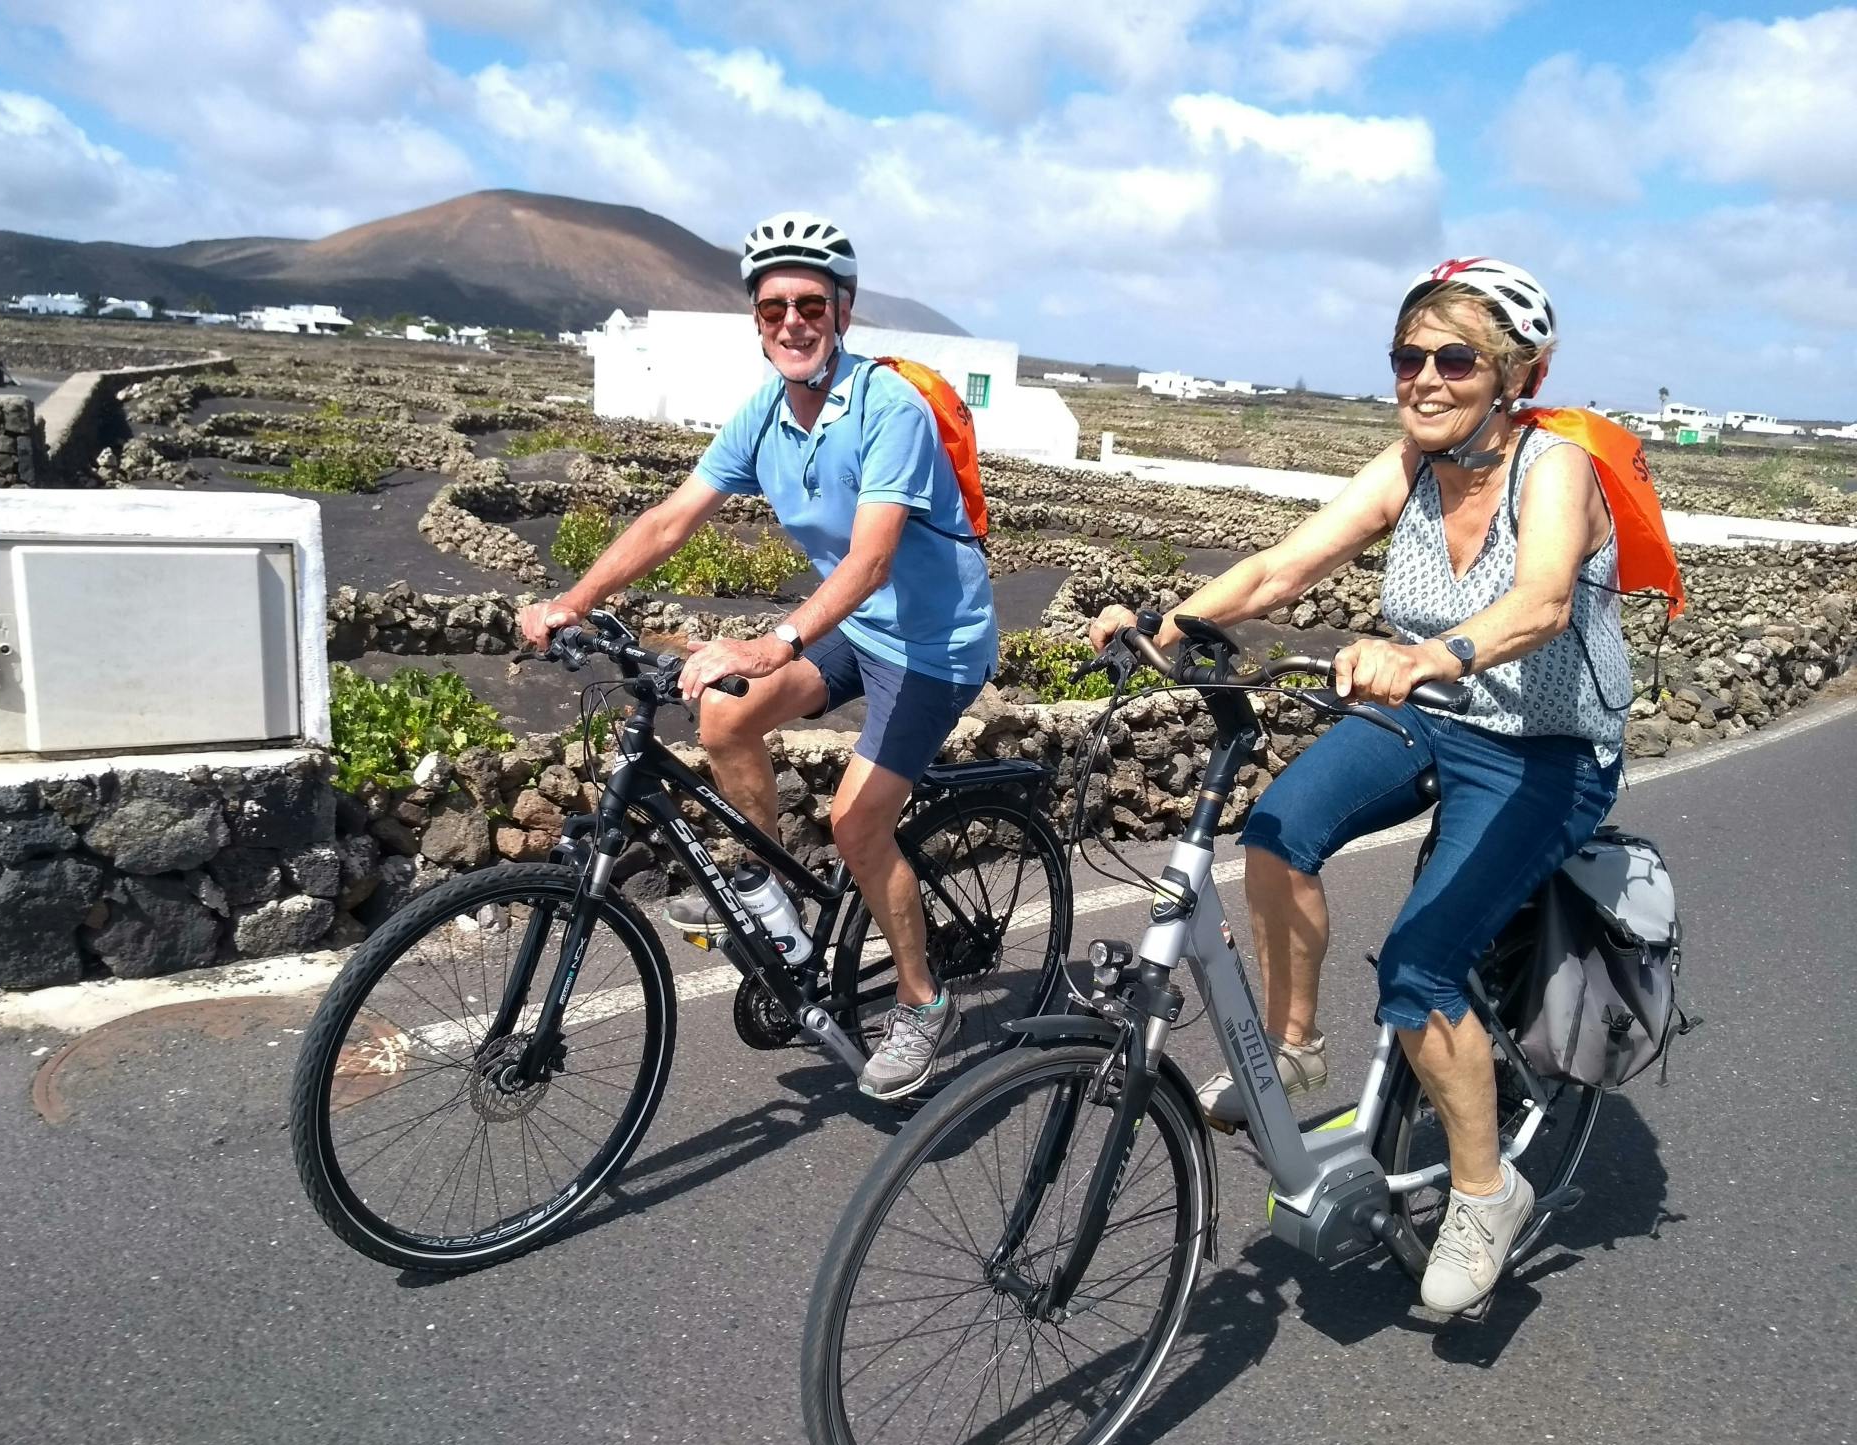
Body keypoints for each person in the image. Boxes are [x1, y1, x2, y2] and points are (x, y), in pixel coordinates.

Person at [1089, 257, 1630, 1314]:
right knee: (1277, 829)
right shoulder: (1411, 467)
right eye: (1406, 356)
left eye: (1453, 358)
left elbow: (1541, 605)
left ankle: (1484, 1193)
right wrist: (1168, 623)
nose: (1423, 378)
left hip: (1544, 748)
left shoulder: (1550, 466)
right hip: (1436, 713)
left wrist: (1431, 656)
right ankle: (1291, 1051)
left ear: (1515, 372)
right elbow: (1280, 570)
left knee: (1422, 965)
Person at [518, 211, 998, 1101]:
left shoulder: (886, 407)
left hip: (936, 643)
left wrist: (771, 641)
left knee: (859, 824)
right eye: (773, 306)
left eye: (810, 303)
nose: (791, 321)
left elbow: (871, 557)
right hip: (859, 629)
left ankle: (925, 1005)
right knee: (724, 711)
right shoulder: (765, 416)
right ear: (756, 319)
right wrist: (572, 601)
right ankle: (769, 896)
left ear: (842, 309)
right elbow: (670, 518)